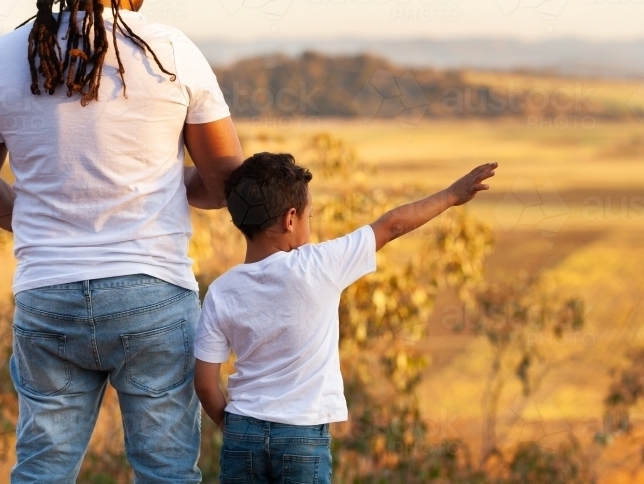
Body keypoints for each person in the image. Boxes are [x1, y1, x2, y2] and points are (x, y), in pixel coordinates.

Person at [0, 0, 243, 484]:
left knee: (41, 472)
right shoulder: (172, 53)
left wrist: (46, 216)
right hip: (152, 298)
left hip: (47, 296)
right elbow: (226, 183)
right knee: (166, 472)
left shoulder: (2, 57)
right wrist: (166, 185)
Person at [193, 153, 497, 483]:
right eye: (310, 215)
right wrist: (453, 195)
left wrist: (235, 427)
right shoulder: (319, 265)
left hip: (242, 433)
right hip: (301, 436)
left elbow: (205, 383)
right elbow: (392, 225)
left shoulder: (221, 290)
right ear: (290, 219)